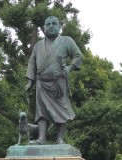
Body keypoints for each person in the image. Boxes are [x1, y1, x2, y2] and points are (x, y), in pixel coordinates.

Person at [25, 15, 82, 145]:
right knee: (42, 111)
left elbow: (78, 55)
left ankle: (60, 139)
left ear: (59, 27)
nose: (51, 26)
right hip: (41, 83)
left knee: (61, 110)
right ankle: (41, 138)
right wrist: (30, 82)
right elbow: (31, 63)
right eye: (48, 24)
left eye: (54, 24)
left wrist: (70, 67)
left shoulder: (66, 41)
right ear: (44, 28)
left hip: (58, 82)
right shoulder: (38, 45)